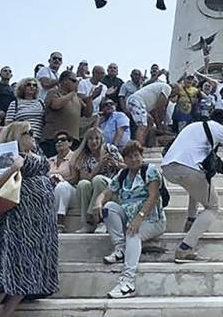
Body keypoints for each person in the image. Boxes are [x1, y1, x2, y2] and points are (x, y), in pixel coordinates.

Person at [0, 121, 58, 317]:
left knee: (30, 271)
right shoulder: (8, 154)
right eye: (28, 132)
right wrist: (12, 168)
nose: (33, 135)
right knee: (9, 270)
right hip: (20, 218)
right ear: (17, 135)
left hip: (42, 220)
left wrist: (51, 181)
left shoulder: (38, 154)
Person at [91, 141, 166, 299]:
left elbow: (153, 196)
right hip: (129, 217)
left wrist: (139, 218)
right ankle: (120, 248)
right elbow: (106, 193)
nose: (134, 159)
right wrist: (98, 202)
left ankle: (128, 282)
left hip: (152, 220)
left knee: (133, 234)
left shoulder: (150, 170)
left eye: (137, 155)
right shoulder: (123, 174)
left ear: (141, 156)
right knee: (109, 207)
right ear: (124, 159)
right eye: (130, 157)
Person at [161, 110, 223, 262]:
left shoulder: (192, 126)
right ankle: (185, 248)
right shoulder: (220, 129)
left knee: (195, 188)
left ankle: (190, 220)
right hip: (189, 168)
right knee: (213, 208)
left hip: (168, 167)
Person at [61, 127, 123, 233]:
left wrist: (116, 164)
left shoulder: (110, 149)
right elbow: (86, 178)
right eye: (90, 139)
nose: (94, 141)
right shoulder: (84, 157)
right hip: (95, 187)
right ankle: (87, 224)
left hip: (113, 186)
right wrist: (99, 165)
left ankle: (97, 219)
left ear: (101, 139)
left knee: (98, 180)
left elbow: (126, 167)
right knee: (83, 184)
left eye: (97, 138)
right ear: (86, 141)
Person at [43, 70, 83, 157]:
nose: (76, 83)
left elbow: (87, 113)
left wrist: (91, 98)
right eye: (74, 81)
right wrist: (73, 93)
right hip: (54, 139)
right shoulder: (54, 92)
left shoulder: (76, 97)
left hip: (72, 141)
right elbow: (56, 105)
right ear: (64, 81)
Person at [48, 131, 78, 228]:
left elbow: (75, 178)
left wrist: (60, 180)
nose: (59, 142)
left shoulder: (75, 157)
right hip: (52, 190)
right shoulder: (49, 161)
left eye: (63, 140)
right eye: (56, 141)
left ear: (70, 143)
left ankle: (60, 220)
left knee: (62, 186)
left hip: (71, 192)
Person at [4, 77, 45, 142]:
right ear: (22, 87)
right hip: (21, 139)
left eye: (34, 85)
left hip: (39, 139)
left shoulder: (41, 103)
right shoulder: (15, 103)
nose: (32, 87)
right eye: (28, 84)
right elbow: (8, 124)